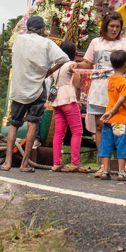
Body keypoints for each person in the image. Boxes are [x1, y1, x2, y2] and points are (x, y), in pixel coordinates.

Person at [2, 16, 69, 172]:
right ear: (41, 30)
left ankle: (7, 163)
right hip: (37, 89)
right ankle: (25, 164)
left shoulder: (18, 40)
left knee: (14, 124)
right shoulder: (46, 43)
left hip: (19, 88)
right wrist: (48, 72)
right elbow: (64, 58)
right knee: (33, 124)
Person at [77, 12, 126, 177]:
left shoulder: (125, 43)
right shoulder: (95, 42)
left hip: (119, 92)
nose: (114, 30)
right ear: (105, 26)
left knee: (120, 128)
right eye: (111, 26)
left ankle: (122, 166)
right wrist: (74, 65)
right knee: (100, 127)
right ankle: (103, 166)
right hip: (99, 90)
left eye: (117, 27)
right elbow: (87, 63)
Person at [50, 41, 88, 173]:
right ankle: (75, 163)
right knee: (77, 131)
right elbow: (77, 85)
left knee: (59, 132)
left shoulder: (56, 67)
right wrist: (78, 100)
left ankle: (57, 162)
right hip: (69, 98)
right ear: (75, 53)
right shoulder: (71, 65)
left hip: (57, 99)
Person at [99, 50, 126, 181]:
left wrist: (109, 113)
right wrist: (113, 111)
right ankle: (121, 172)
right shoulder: (125, 83)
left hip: (108, 119)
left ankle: (105, 171)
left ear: (112, 65)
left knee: (106, 144)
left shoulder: (111, 80)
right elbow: (122, 98)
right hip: (120, 119)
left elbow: (121, 86)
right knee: (122, 145)